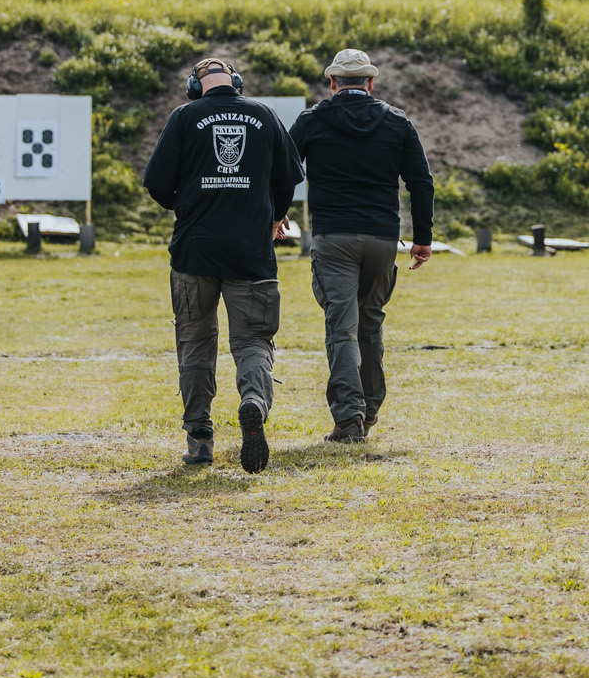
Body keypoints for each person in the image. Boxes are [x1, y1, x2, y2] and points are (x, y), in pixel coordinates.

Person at [142, 57, 305, 473]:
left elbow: (156, 183)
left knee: (195, 345)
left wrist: (190, 205)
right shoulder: (264, 115)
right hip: (251, 253)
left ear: (195, 88)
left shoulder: (183, 117)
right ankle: (253, 401)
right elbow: (289, 178)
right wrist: (273, 216)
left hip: (194, 252)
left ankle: (199, 441)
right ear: (236, 82)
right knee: (253, 342)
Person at [287, 49, 436, 443]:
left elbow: (281, 168)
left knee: (342, 327)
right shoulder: (396, 121)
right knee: (369, 324)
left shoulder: (313, 119)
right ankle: (368, 410)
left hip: (334, 237)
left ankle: (349, 417)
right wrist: (423, 238)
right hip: (383, 239)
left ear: (333, 83)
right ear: (370, 83)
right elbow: (421, 181)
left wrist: (276, 213)